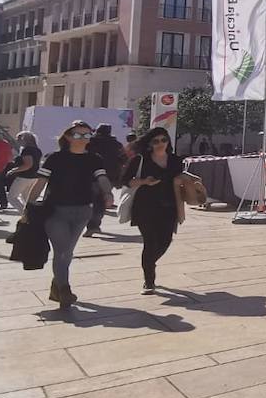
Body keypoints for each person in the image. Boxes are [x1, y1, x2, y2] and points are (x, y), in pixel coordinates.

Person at [21, 121, 114, 309]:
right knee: (62, 251)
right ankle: (65, 289)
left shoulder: (94, 159)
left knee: (68, 252)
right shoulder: (54, 158)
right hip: (55, 211)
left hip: (82, 211)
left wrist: (108, 193)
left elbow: (102, 177)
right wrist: (28, 207)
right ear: (69, 137)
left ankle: (57, 286)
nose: (83, 139)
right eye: (78, 135)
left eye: (87, 135)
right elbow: (39, 183)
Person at [120, 127, 183, 294]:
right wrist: (144, 182)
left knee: (165, 241)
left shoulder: (176, 160)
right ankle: (149, 280)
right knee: (150, 242)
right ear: (149, 144)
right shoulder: (140, 160)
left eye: (164, 140)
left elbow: (180, 179)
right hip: (145, 207)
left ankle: (149, 263)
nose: (160, 144)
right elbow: (125, 181)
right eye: (156, 141)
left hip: (169, 207)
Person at [84, 124, 125, 236]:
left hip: (91, 174)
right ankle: (94, 225)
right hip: (109, 175)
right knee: (100, 201)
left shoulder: (90, 142)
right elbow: (123, 159)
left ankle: (90, 225)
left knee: (89, 200)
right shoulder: (116, 144)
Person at [2, 131, 42, 208]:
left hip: (24, 176)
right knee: (26, 198)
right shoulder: (37, 150)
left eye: (18, 139)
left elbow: (28, 165)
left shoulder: (27, 150)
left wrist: (13, 170)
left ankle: (25, 215)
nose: (17, 141)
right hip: (33, 176)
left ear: (23, 139)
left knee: (12, 197)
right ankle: (31, 214)